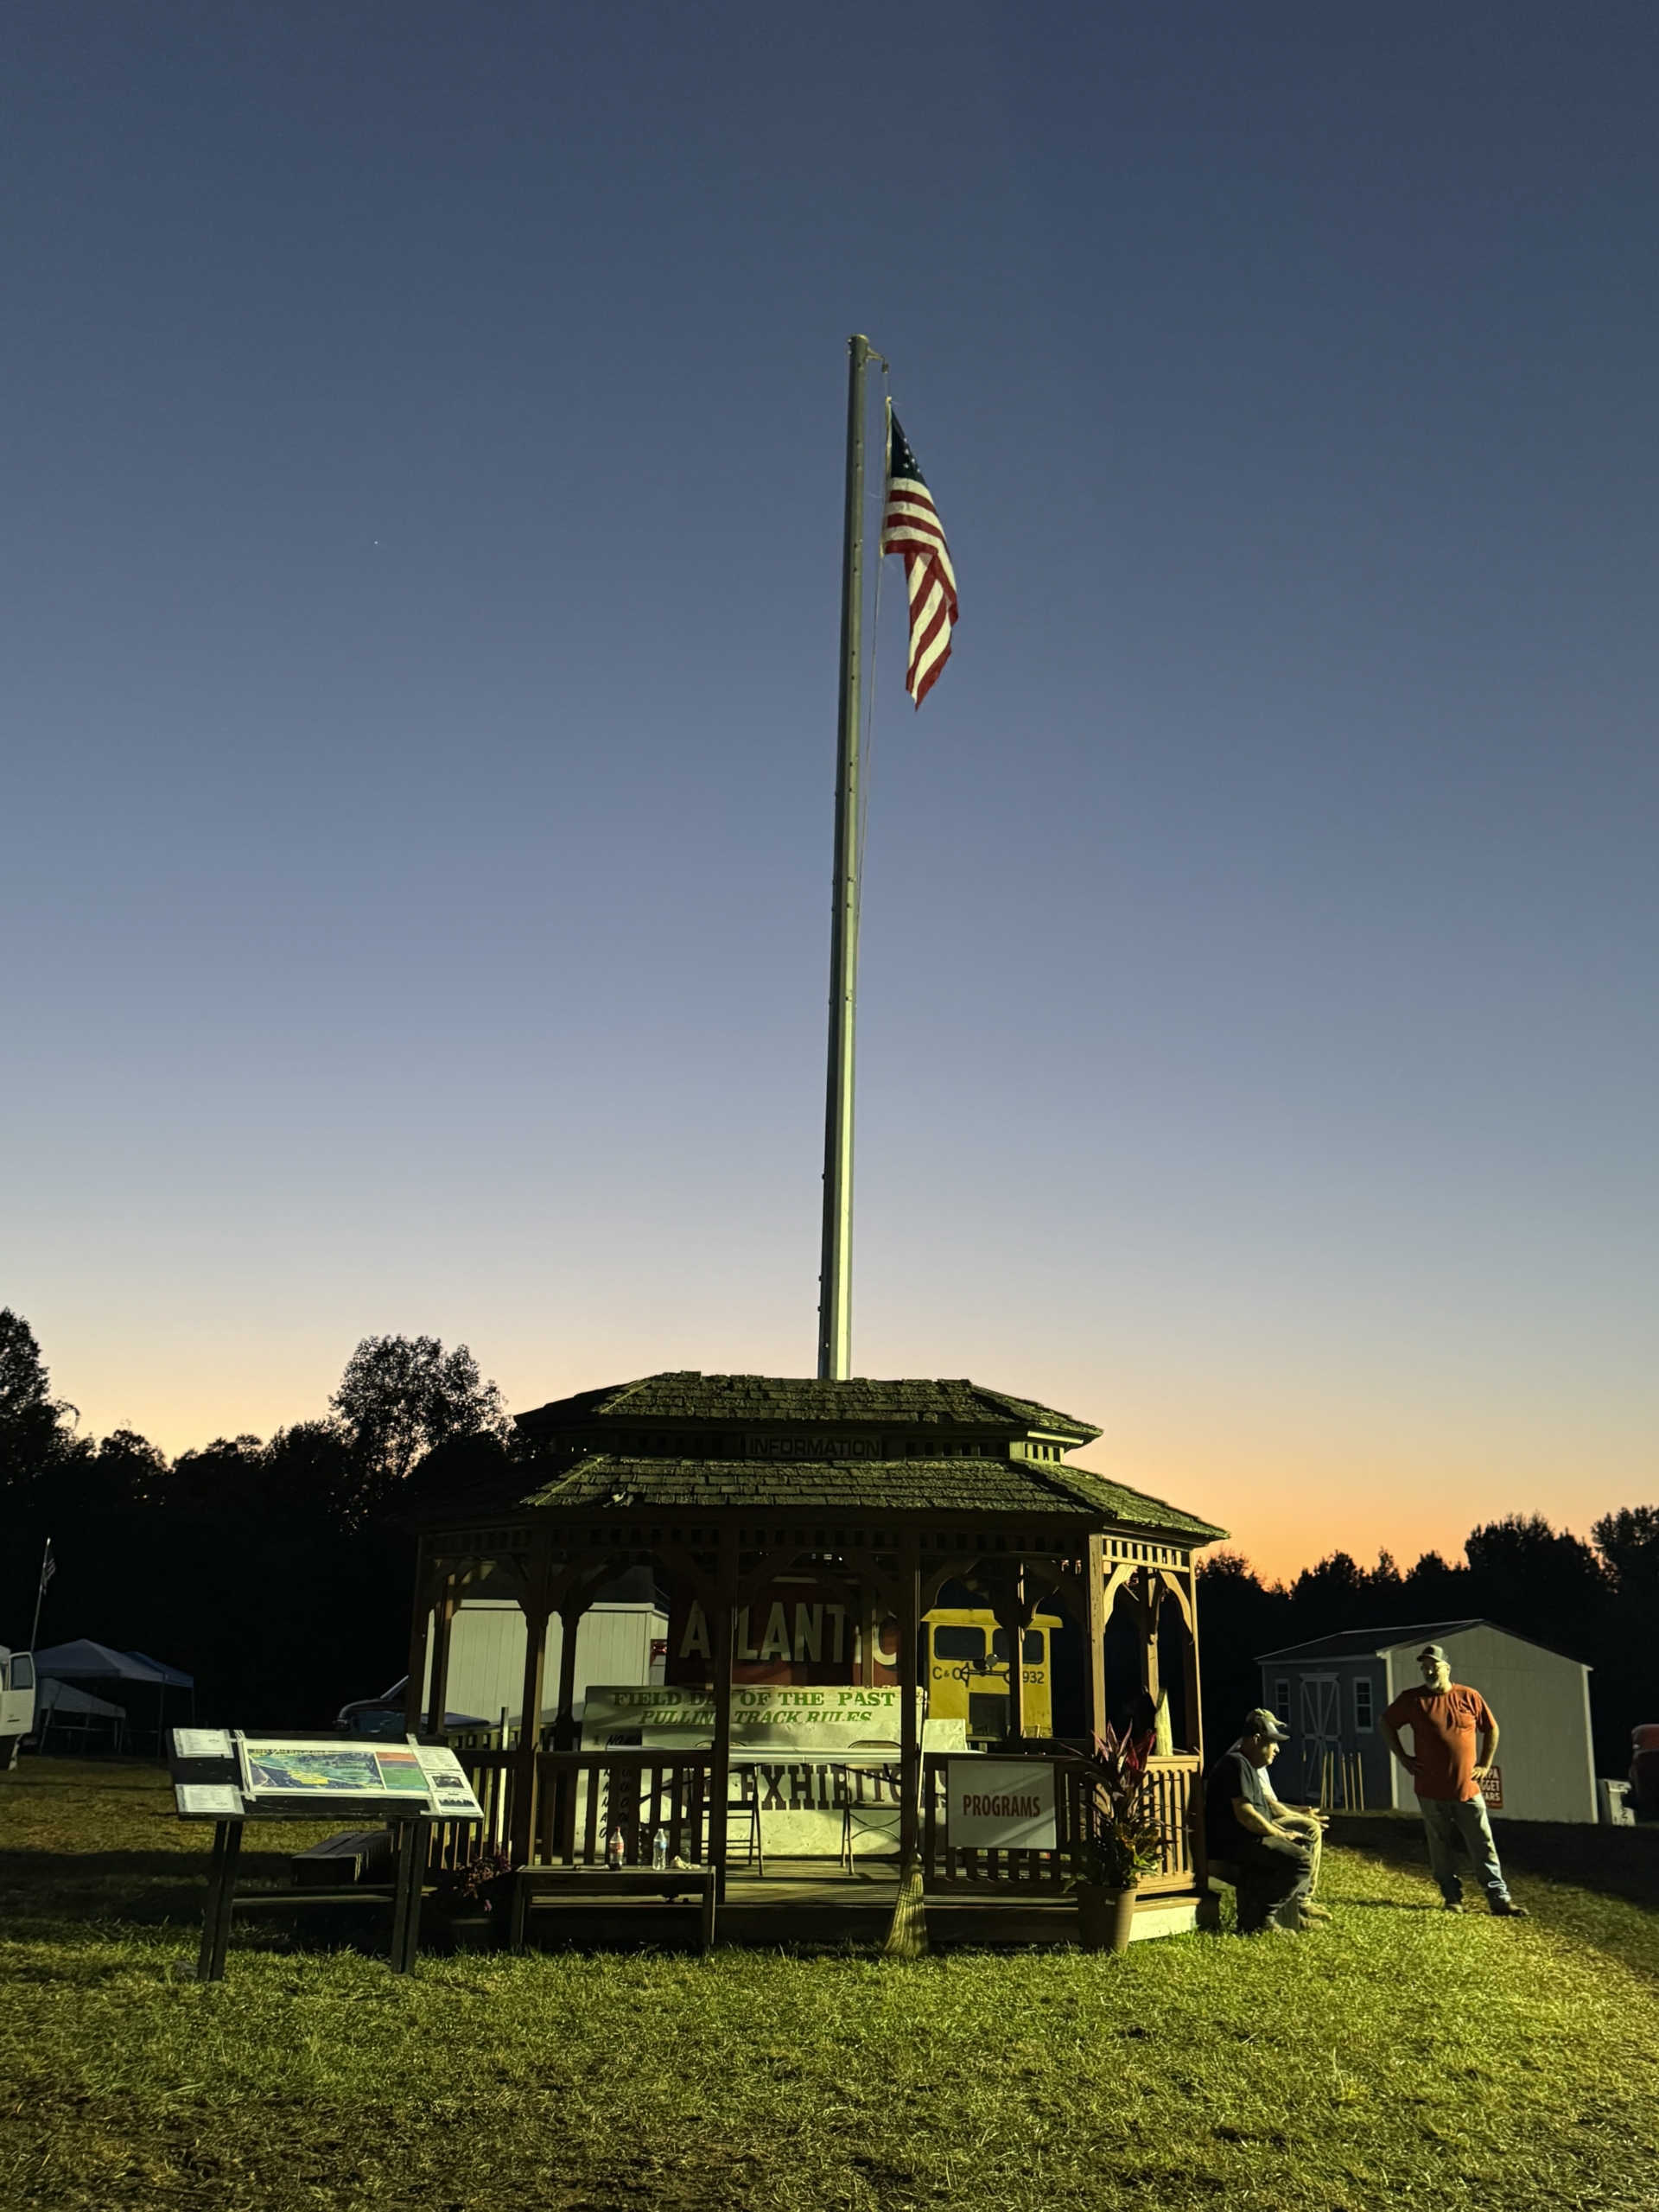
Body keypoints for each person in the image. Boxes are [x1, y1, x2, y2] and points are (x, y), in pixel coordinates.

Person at [1382, 1643, 1529, 1917]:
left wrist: (1485, 1764)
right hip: (1430, 1789)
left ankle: (1499, 1898)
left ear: (1446, 1668)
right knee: (1440, 1845)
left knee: (1483, 1843)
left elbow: (1491, 1728)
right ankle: (1452, 1898)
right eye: (1424, 1666)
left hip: (1468, 1789)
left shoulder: (1468, 1697)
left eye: (1434, 1665)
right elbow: (1386, 1723)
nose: (1428, 1670)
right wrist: (1403, 1757)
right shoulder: (1412, 1700)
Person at [1203, 1709, 1317, 1933]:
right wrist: (1280, 1835)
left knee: (1300, 1842)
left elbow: (1259, 1814)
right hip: (1235, 1845)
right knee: (1301, 1861)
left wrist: (1280, 1831)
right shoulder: (1236, 1764)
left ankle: (1275, 1918)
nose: (1277, 1749)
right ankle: (1262, 1917)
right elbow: (1245, 1814)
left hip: (1246, 1841)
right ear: (1256, 1740)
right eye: (1273, 1743)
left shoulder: (1248, 1767)